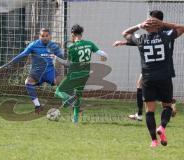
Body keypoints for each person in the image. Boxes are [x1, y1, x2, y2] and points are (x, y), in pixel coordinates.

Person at [122, 10, 184, 147]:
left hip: (148, 78)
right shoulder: (166, 36)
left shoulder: (141, 39)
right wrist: (163, 24)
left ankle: (154, 141)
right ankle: (161, 128)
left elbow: (125, 33)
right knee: (167, 106)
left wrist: (139, 25)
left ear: (147, 27)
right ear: (158, 26)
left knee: (149, 110)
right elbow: (182, 28)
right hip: (164, 77)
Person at [113, 10, 177, 121]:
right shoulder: (168, 30)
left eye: (150, 18)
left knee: (159, 96)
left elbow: (147, 43)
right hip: (160, 66)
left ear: (155, 20)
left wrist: (135, 30)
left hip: (157, 66)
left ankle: (168, 107)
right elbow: (144, 44)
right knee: (140, 85)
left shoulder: (160, 30)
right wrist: (125, 42)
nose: (148, 21)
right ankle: (142, 113)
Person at [0, 28, 63, 114]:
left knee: (61, 83)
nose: (45, 38)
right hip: (37, 72)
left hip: (49, 71)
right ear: (39, 36)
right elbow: (21, 55)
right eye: (43, 36)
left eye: (46, 36)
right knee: (28, 82)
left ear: (50, 36)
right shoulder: (33, 45)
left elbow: (62, 58)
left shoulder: (54, 46)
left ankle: (72, 104)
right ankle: (38, 106)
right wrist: (5, 65)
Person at [54, 24, 108, 123]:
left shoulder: (72, 47)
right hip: (85, 74)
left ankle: (69, 99)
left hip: (74, 74)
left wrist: (56, 58)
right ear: (81, 34)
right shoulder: (90, 44)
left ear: (72, 34)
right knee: (78, 95)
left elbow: (68, 64)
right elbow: (103, 54)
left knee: (58, 91)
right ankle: (75, 119)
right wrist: (103, 58)